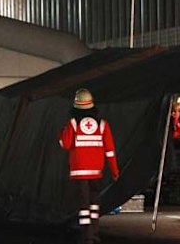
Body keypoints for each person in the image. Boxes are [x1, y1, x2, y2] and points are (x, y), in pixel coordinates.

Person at [58, 88, 119, 244]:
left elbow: (65, 144)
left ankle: (86, 237)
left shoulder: (73, 123)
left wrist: (61, 133)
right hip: (97, 172)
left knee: (83, 206)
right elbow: (110, 151)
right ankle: (95, 233)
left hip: (79, 172)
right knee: (94, 205)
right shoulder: (103, 124)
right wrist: (114, 171)